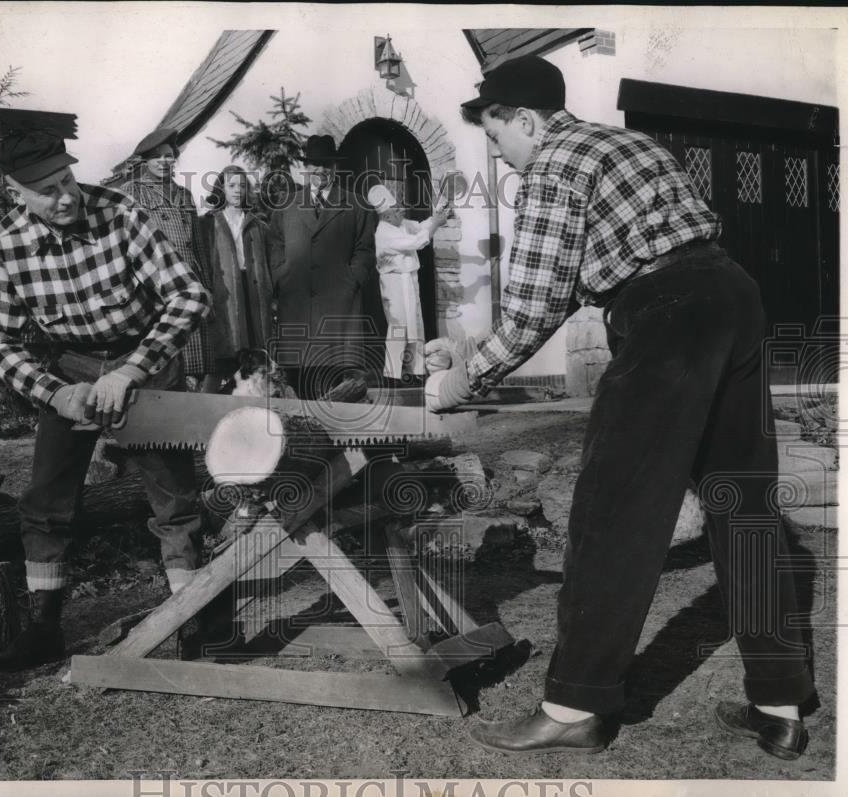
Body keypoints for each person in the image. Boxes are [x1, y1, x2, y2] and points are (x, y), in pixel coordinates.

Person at [426, 56, 815, 759]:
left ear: (526, 119)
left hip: (667, 317)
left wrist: (465, 381)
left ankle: (574, 705)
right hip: (731, 293)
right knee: (743, 507)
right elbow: (608, 259)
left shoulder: (552, 163)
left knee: (613, 511)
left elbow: (535, 305)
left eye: (496, 135)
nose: (500, 156)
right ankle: (780, 706)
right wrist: (465, 350)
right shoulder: (627, 143)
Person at [0, 130, 211, 670]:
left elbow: (189, 295)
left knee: (173, 498)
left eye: (66, 180)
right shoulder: (4, 246)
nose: (65, 196)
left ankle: (192, 618)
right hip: (71, 370)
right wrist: (55, 393)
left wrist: (131, 370)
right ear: (16, 192)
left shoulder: (121, 213)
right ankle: (44, 628)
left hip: (143, 358)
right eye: (47, 191)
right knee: (44, 502)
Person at [268, 134, 377, 399]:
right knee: (298, 376)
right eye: (315, 164)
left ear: (335, 167)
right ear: (306, 168)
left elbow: (365, 250)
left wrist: (352, 280)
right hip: (297, 303)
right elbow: (275, 245)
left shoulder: (356, 204)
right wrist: (281, 276)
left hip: (339, 302)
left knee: (336, 375)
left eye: (327, 164)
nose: (321, 171)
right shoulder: (286, 204)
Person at [120, 128, 219, 393]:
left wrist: (207, 287)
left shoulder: (184, 194)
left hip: (191, 281)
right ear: (146, 161)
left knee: (198, 364)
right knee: (170, 360)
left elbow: (198, 247)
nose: (164, 162)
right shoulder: (133, 193)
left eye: (168, 156)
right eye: (157, 157)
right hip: (159, 285)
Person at [367, 183, 449, 386]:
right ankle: (392, 375)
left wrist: (438, 213)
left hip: (410, 280)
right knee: (398, 328)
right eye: (396, 209)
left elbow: (421, 227)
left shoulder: (401, 223)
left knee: (416, 325)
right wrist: (436, 224)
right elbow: (416, 242)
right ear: (386, 216)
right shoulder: (384, 233)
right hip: (393, 283)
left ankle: (417, 371)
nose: (401, 209)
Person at [200, 165, 275, 379]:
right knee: (226, 353)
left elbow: (269, 262)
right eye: (231, 185)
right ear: (221, 188)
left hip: (255, 292)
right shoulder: (208, 223)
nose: (237, 190)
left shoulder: (258, 225)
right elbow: (204, 262)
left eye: (241, 186)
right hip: (225, 292)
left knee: (256, 352)